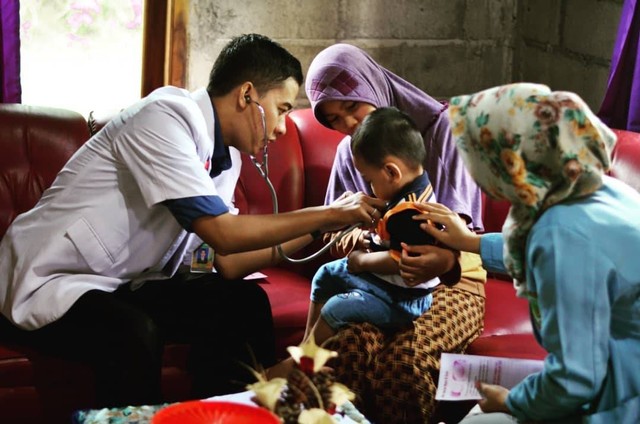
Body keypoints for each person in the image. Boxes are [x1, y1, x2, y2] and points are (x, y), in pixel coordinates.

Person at [0, 34, 385, 409]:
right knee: (133, 333)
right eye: (282, 109)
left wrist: (316, 230)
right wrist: (331, 211)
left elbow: (228, 262)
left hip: (115, 280)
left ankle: (229, 413)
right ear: (248, 95)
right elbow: (221, 231)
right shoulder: (163, 119)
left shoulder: (226, 158)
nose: (283, 127)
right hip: (48, 278)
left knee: (242, 301)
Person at [416, 82, 640, 423]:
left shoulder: (560, 233)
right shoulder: (588, 185)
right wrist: (471, 242)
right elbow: (559, 248)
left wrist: (511, 402)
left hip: (621, 396)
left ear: (509, 161)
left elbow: (575, 379)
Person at [304, 43, 487, 423]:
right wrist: (349, 237)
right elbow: (335, 232)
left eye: (352, 107)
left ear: (371, 86)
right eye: (335, 120)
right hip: (382, 281)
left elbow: (460, 235)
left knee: (403, 362)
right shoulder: (349, 153)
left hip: (455, 284)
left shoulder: (444, 132)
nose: (348, 126)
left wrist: (441, 257)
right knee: (348, 348)